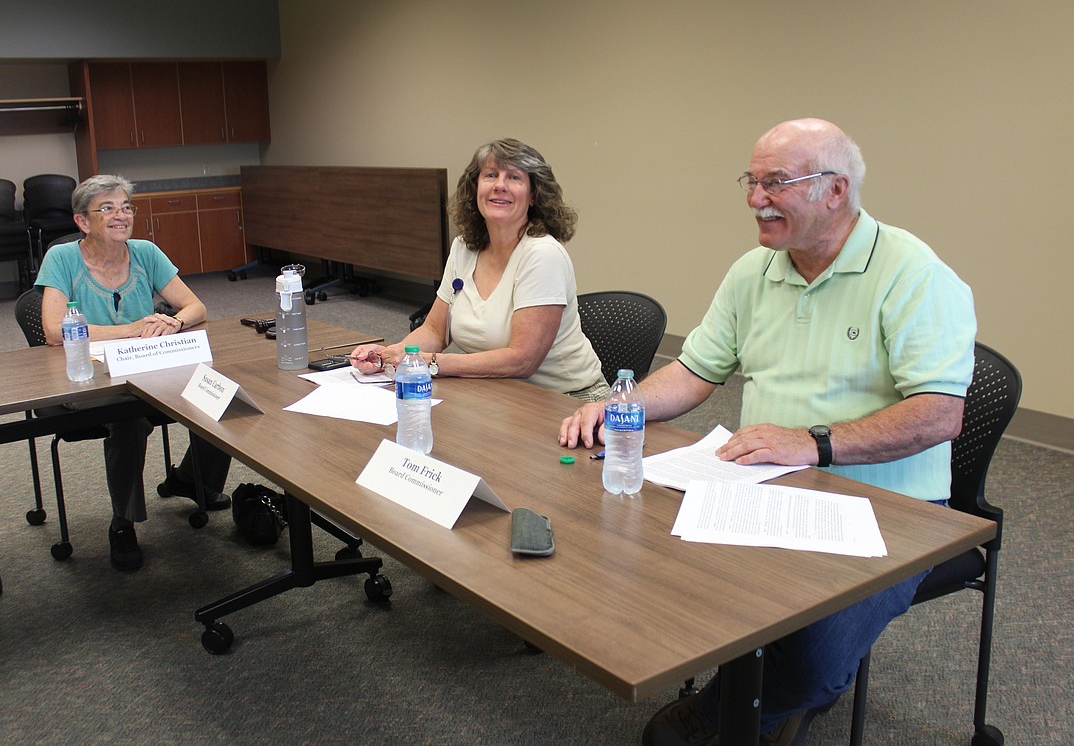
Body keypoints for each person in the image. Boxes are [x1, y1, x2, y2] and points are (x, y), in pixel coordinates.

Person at [559, 118, 977, 745]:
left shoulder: (913, 274)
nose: (756, 199)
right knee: (643, 560)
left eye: (775, 183)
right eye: (751, 182)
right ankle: (762, 681)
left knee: (810, 655)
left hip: (890, 508)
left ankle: (730, 711)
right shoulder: (755, 271)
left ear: (834, 191)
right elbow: (696, 370)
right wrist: (621, 405)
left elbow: (940, 414)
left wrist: (813, 442)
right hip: (766, 479)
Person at [35, 174, 234, 572]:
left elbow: (196, 308)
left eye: (126, 207)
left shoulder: (145, 252)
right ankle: (122, 522)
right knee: (130, 421)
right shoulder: (63, 259)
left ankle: (192, 480)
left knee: (221, 394)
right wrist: (127, 329)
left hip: (149, 370)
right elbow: (55, 330)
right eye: (106, 208)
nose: (120, 215)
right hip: (89, 377)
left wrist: (173, 323)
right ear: (82, 222)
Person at [351, 138, 607, 401]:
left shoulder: (542, 255)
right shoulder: (464, 247)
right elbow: (434, 331)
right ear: (475, 188)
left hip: (566, 400)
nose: (500, 186)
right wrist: (392, 354)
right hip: (498, 394)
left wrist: (429, 363)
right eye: (491, 175)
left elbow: (522, 360)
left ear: (533, 195)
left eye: (515, 177)